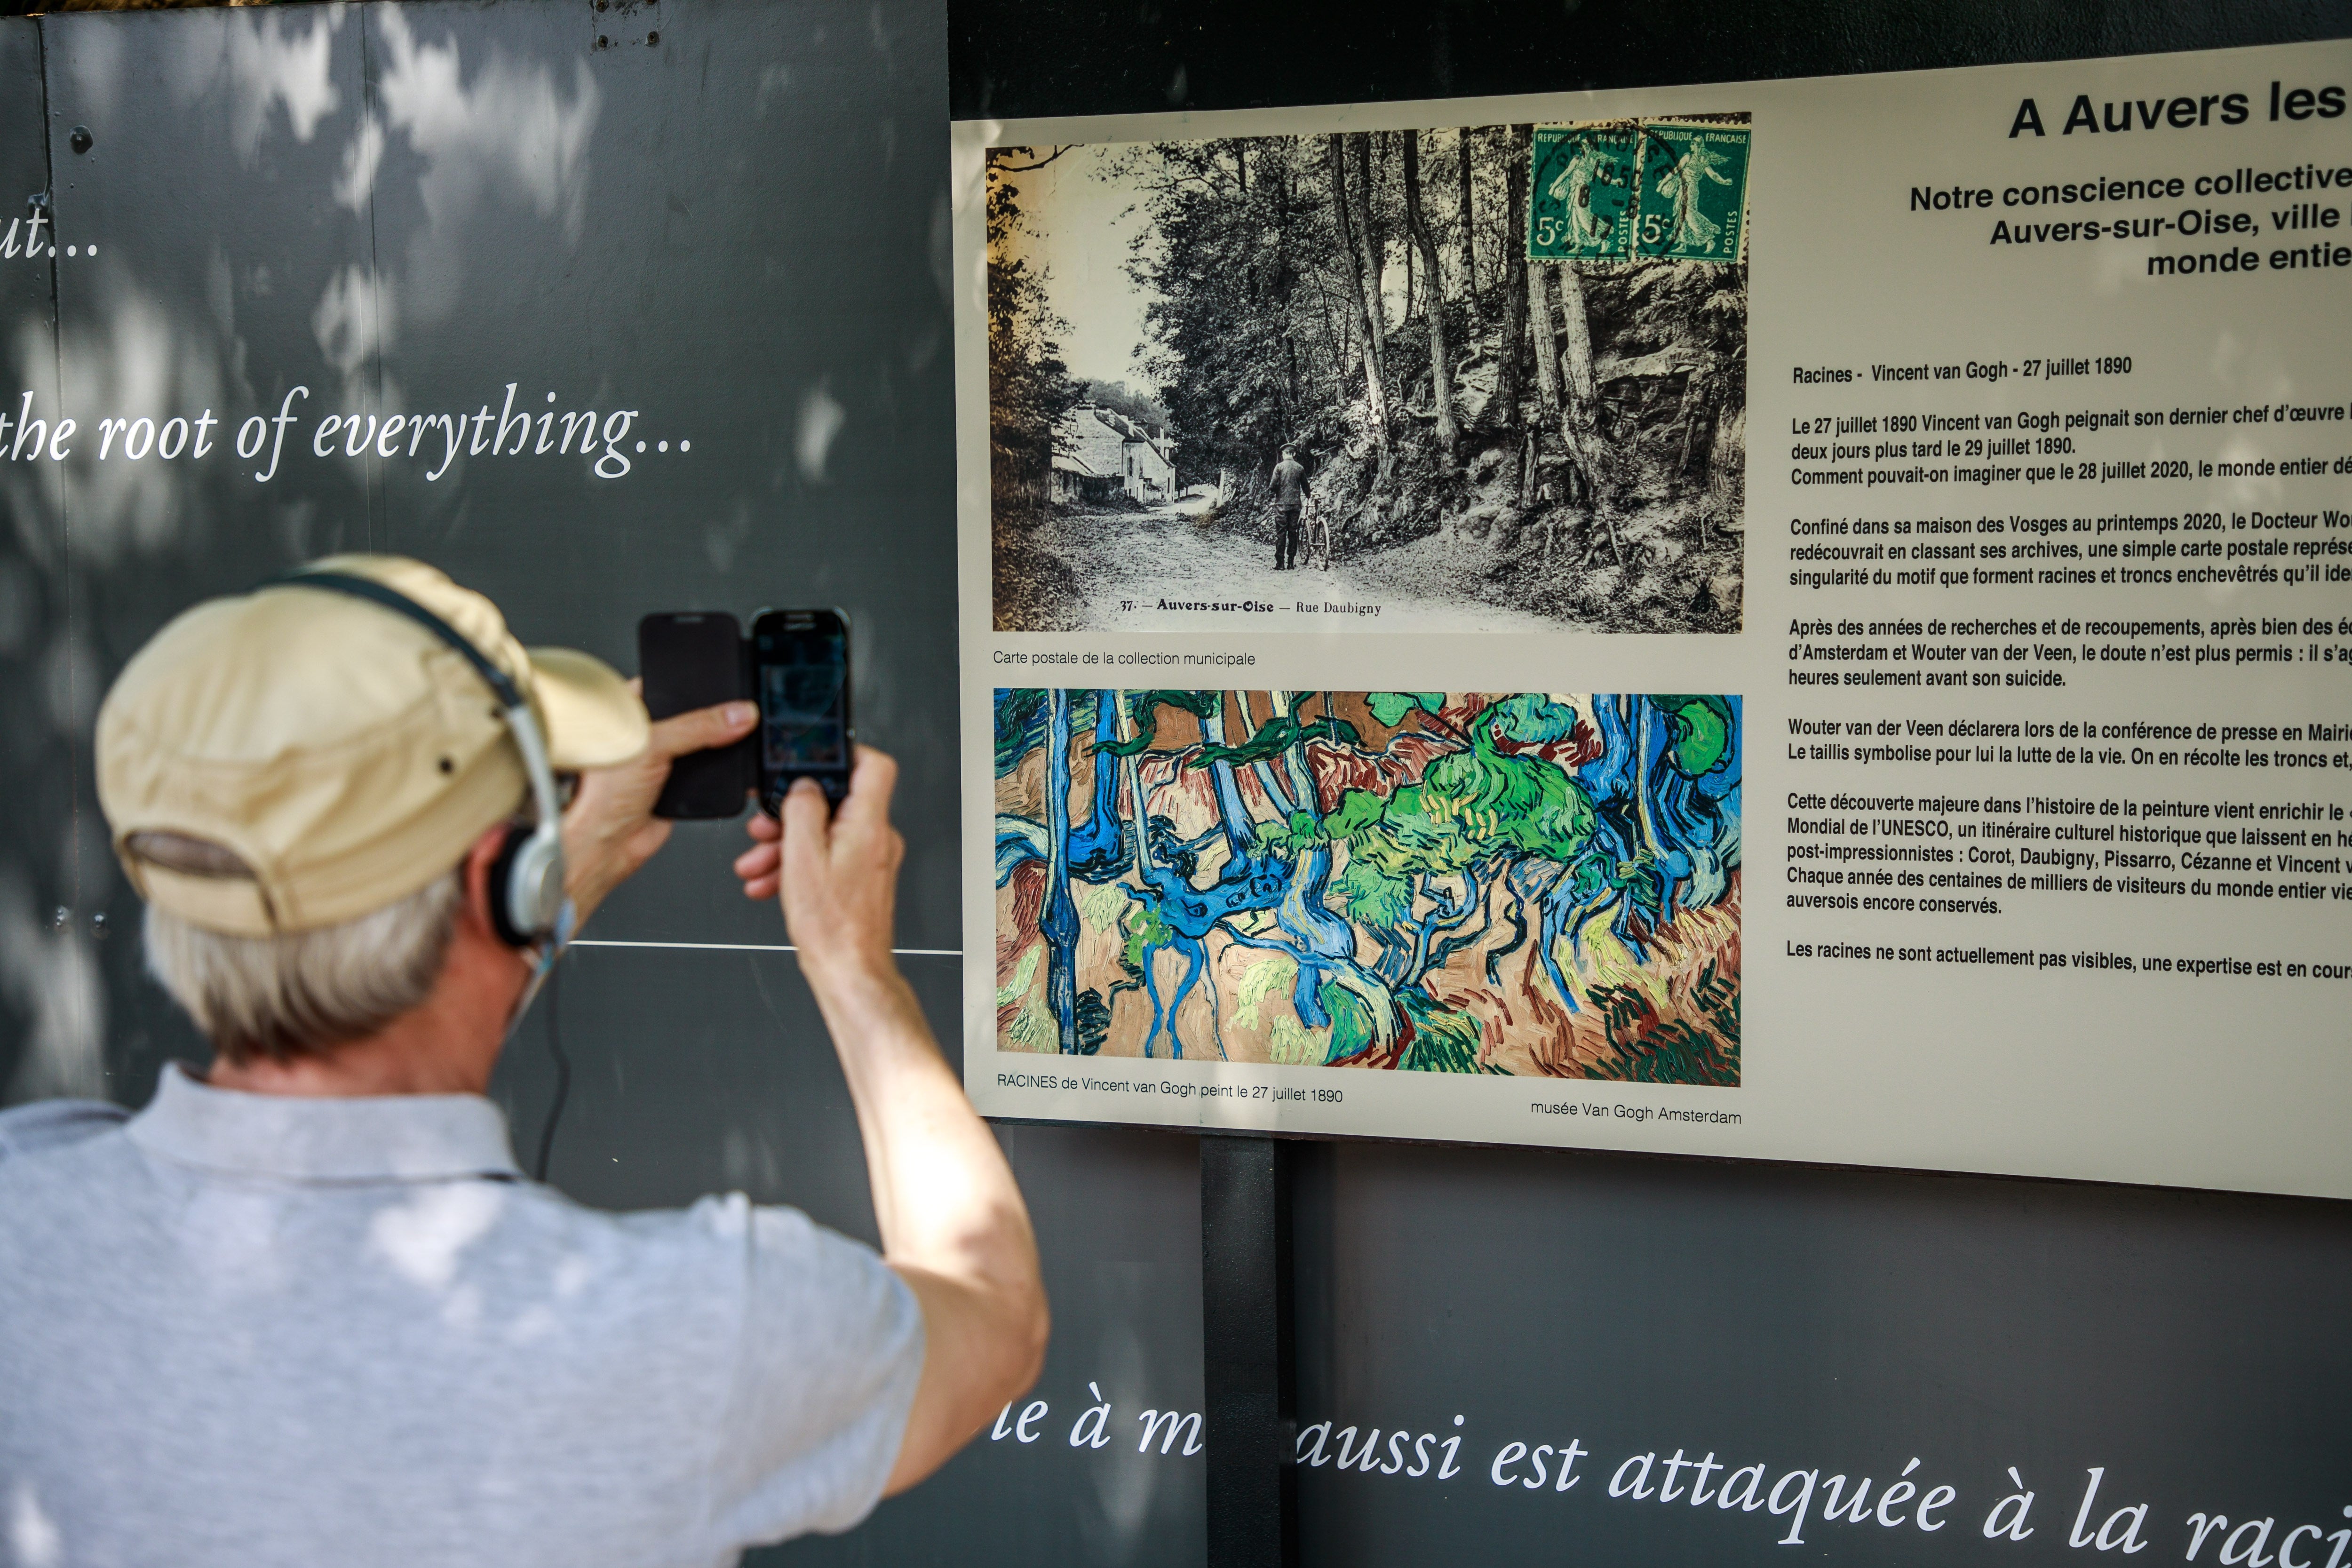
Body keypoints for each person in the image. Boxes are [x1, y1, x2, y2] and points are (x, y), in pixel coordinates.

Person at [0, 556, 1047, 1567]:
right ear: (502, 874)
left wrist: (546, 884)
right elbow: (993, 1310)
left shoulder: (22, 1202)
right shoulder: (692, 1328)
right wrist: (855, 964)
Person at [1271, 444, 1306, 570]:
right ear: (1294, 454)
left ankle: (1280, 564)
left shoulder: (1279, 467)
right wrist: (1308, 495)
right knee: (1293, 532)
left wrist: (1275, 492)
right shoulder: (1300, 468)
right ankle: (1291, 563)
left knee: (1281, 534)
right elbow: (1306, 487)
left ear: (1284, 454)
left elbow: (1273, 485)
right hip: (1295, 505)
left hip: (1281, 505)